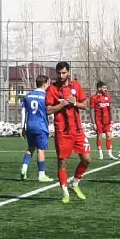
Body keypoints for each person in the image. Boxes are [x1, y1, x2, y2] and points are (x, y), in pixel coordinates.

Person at [46, 61, 91, 204]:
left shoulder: (76, 86)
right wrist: (62, 104)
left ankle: (75, 183)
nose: (61, 75)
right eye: (59, 73)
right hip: (62, 131)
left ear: (68, 72)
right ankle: (65, 193)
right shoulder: (52, 89)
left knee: (86, 159)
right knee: (62, 162)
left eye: (63, 73)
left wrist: (75, 103)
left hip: (77, 130)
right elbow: (48, 110)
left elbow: (85, 105)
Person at [19, 75, 53, 182]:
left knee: (31, 148)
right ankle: (41, 175)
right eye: (48, 83)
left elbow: (23, 112)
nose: (49, 85)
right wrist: (53, 122)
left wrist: (22, 127)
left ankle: (24, 168)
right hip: (41, 126)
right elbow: (50, 111)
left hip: (30, 125)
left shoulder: (28, 96)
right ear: (45, 84)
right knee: (41, 150)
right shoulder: (46, 96)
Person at [90, 81, 116, 160]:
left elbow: (110, 108)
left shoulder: (107, 96)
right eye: (104, 88)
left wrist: (112, 119)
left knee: (109, 135)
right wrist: (93, 123)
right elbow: (91, 110)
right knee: (99, 136)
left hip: (107, 121)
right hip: (98, 121)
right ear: (99, 88)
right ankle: (100, 154)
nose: (106, 89)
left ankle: (110, 154)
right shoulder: (93, 98)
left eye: (106, 87)